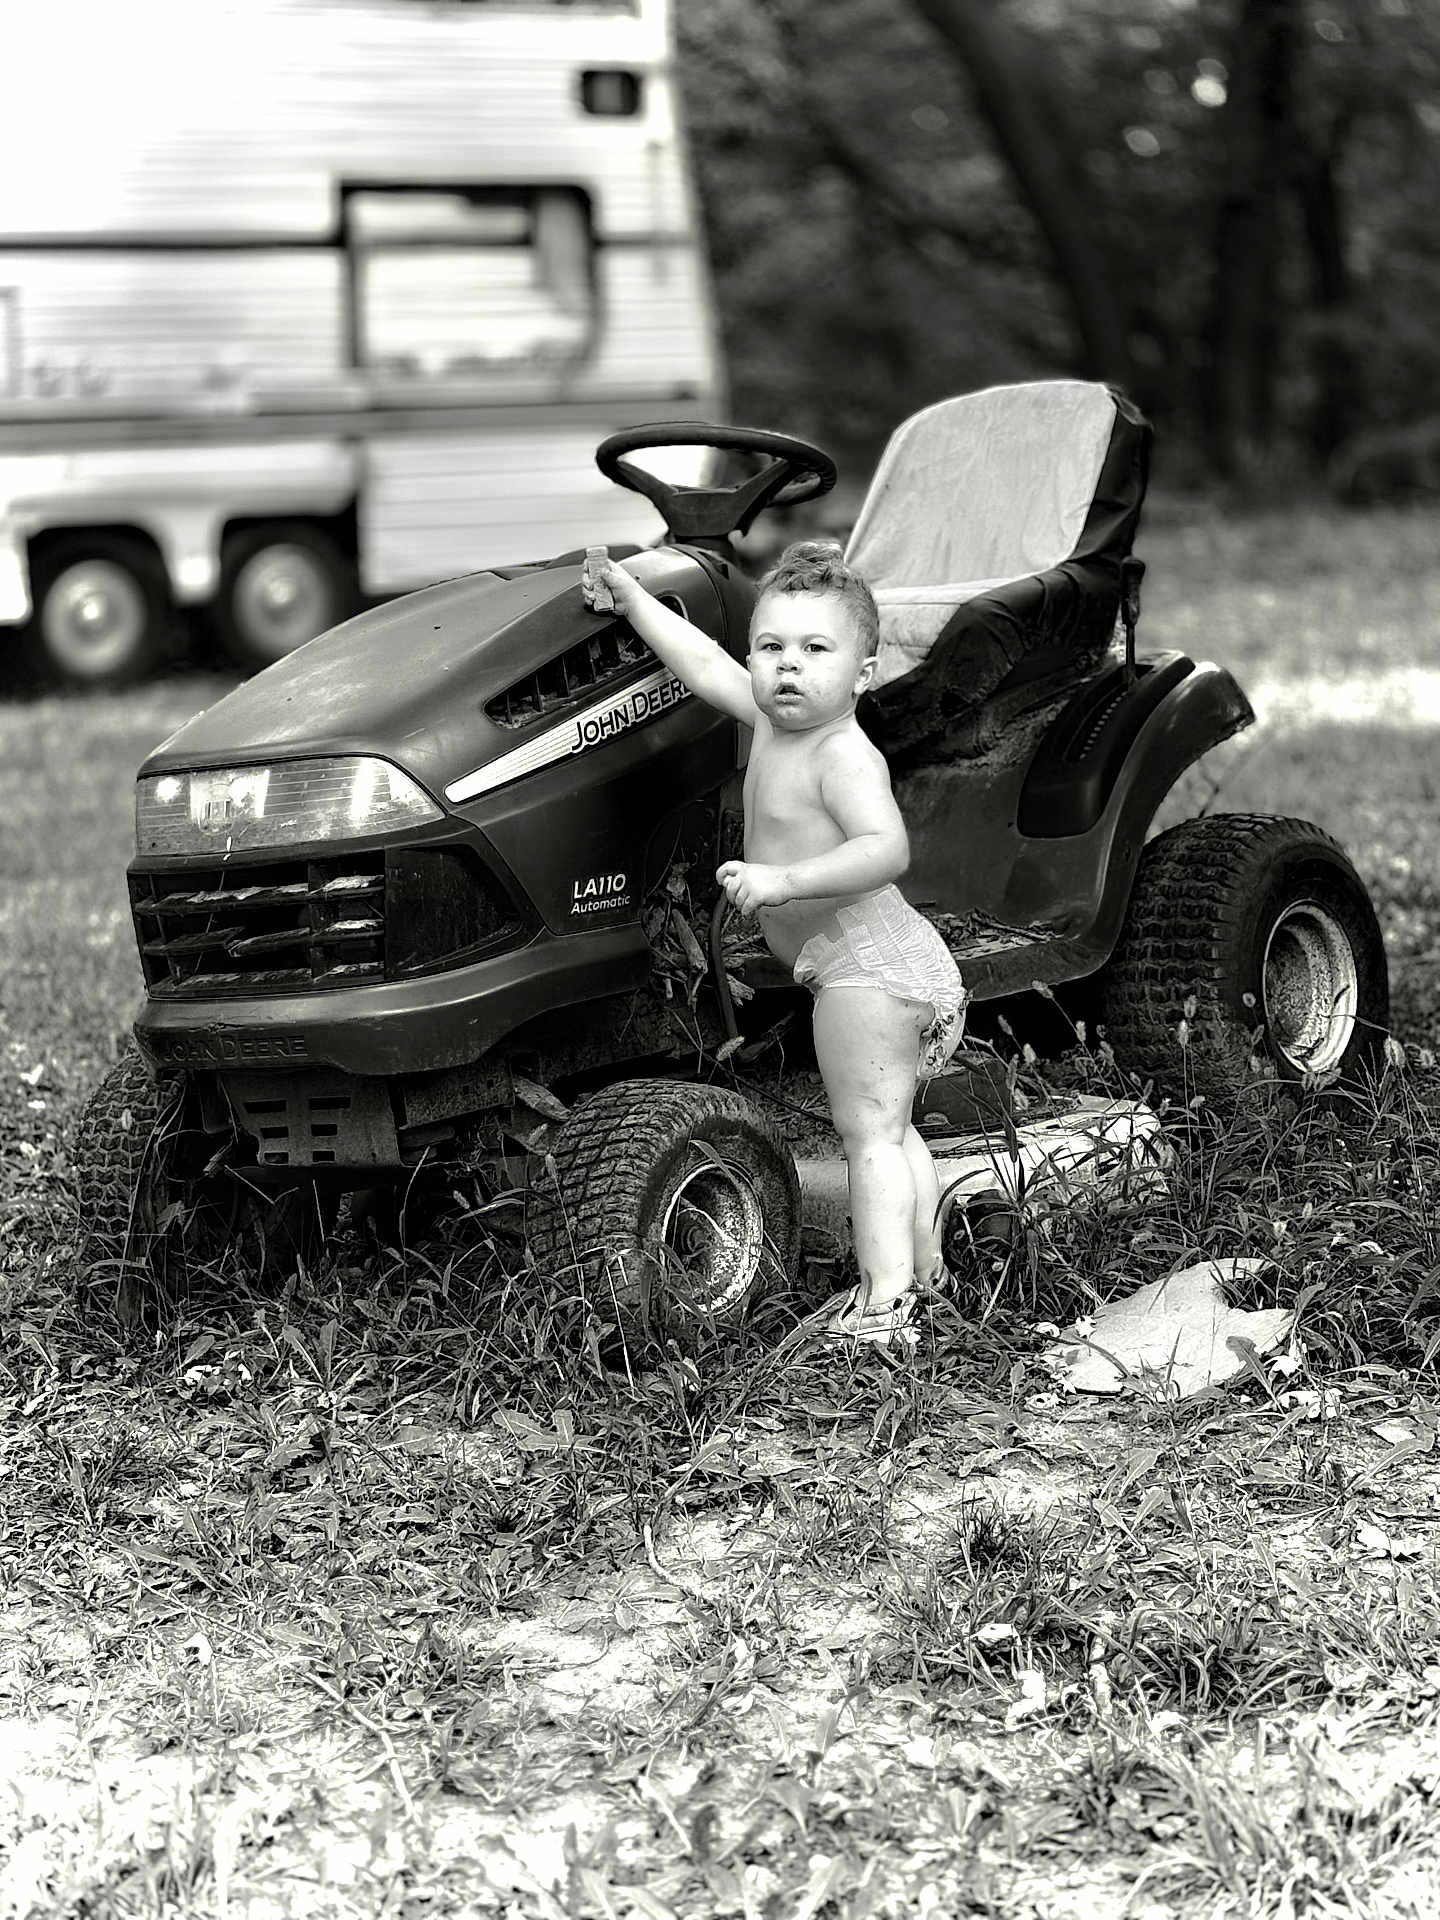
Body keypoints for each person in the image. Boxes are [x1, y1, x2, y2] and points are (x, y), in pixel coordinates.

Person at [581, 538, 966, 1347]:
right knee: (892, 1131)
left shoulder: (841, 753)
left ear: (864, 672)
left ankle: (886, 1302)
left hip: (871, 965)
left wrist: (781, 882)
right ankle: (927, 1274)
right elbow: (699, 661)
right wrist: (631, 600)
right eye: (771, 647)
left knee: (866, 1137)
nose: (787, 667)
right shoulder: (769, 719)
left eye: (816, 650)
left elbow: (887, 848)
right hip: (874, 963)